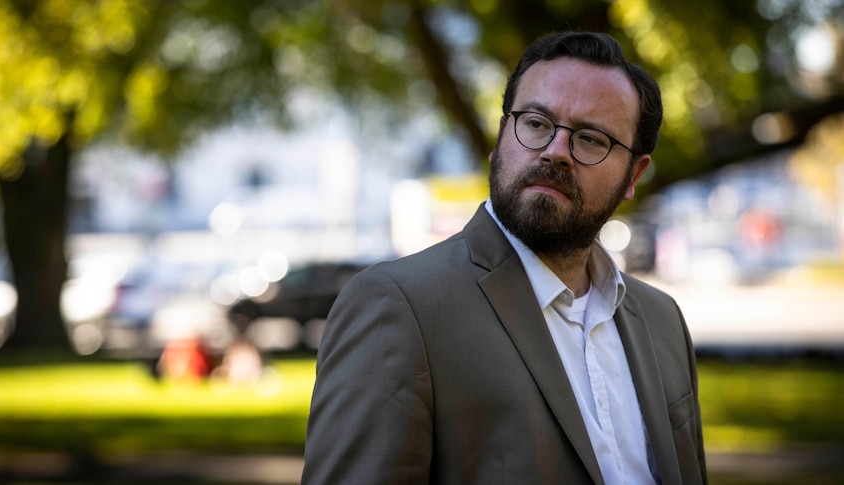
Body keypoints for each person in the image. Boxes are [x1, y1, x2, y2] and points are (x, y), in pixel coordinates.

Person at [302, 31, 706, 484]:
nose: (556, 152)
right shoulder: (396, 307)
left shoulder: (662, 319)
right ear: (501, 136)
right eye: (535, 123)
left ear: (634, 174)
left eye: (591, 139)